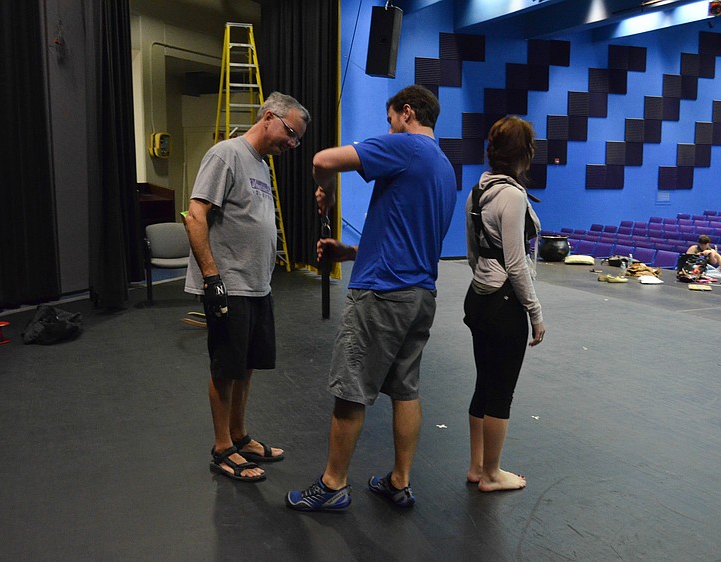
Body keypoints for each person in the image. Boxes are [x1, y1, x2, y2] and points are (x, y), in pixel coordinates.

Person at [286, 85, 457, 511]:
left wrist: (322, 190)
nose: (389, 127)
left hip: (382, 293)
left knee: (351, 388)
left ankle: (332, 485)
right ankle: (399, 481)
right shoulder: (445, 169)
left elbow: (321, 160)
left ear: (407, 112)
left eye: (390, 119)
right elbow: (410, 239)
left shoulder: (406, 146)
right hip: (420, 295)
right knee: (405, 389)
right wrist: (351, 252)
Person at [184, 92, 310, 482]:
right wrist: (212, 279)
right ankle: (222, 448)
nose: (291, 144)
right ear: (268, 117)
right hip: (230, 284)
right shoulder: (226, 154)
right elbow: (195, 215)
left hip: (257, 286)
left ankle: (239, 435)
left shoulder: (260, 164)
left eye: (296, 140)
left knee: (246, 366)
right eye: (290, 133)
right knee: (225, 368)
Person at [462, 116, 544, 493]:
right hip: (504, 304)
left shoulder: (477, 191)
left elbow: (472, 254)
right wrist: (535, 313)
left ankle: (477, 466)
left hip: (479, 298)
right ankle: (493, 474)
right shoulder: (512, 195)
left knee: (484, 382)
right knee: (502, 390)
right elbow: (516, 264)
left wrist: (484, 280)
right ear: (524, 154)